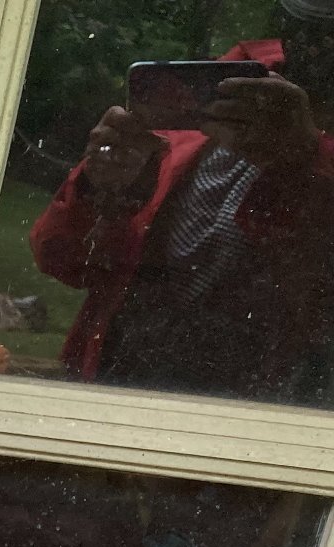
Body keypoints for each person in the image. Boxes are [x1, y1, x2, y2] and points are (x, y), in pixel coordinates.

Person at [30, 0, 334, 403]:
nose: (313, 46)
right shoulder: (215, 93)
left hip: (259, 412)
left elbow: (315, 313)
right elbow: (61, 259)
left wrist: (305, 162)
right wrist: (100, 188)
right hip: (113, 382)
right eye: (305, 28)